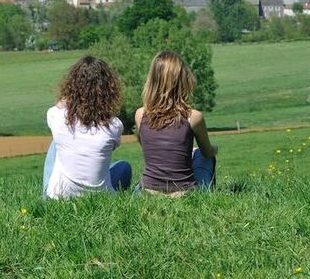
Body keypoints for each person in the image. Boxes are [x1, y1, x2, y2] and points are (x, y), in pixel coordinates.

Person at [43, 55, 132, 199]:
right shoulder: (114, 125)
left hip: (61, 196)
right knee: (124, 167)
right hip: (101, 197)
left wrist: (69, 99)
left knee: (56, 142)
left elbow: (59, 105)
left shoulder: (56, 116)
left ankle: (47, 195)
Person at [134, 51, 217, 197]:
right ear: (183, 80)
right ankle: (209, 197)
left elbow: (150, 147)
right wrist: (214, 149)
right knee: (204, 155)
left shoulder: (140, 114)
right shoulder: (193, 117)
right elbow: (207, 152)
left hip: (148, 192)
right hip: (183, 193)